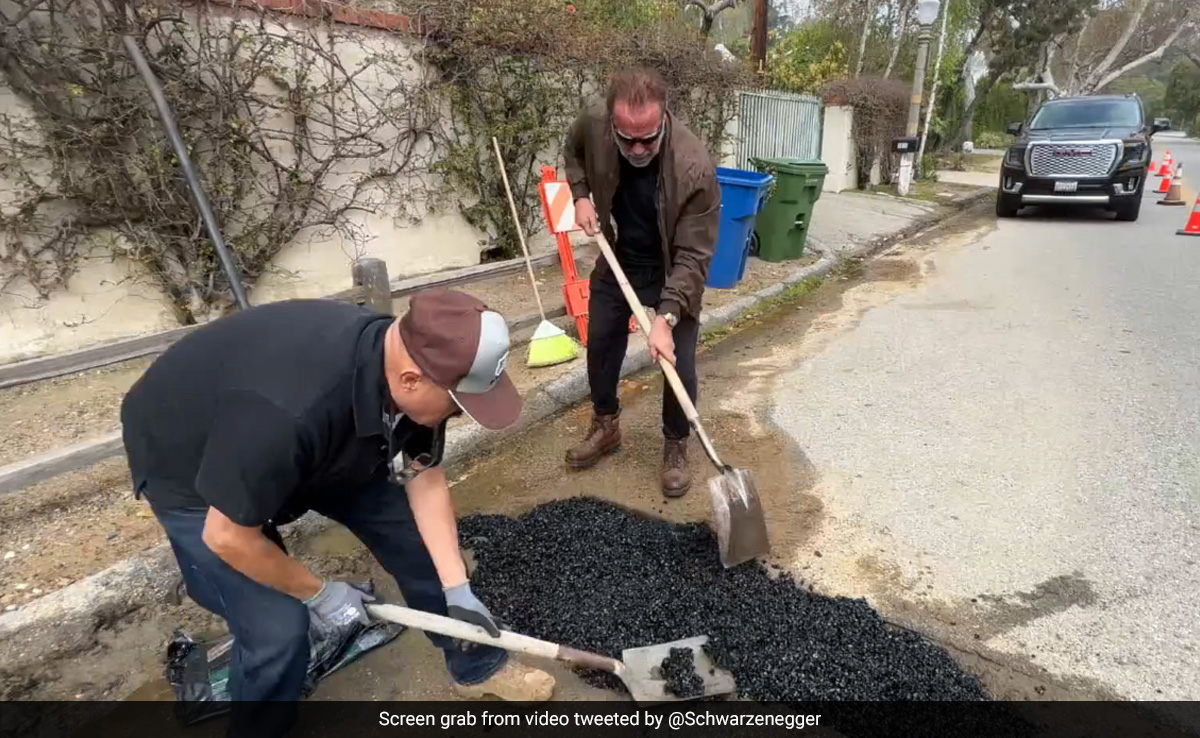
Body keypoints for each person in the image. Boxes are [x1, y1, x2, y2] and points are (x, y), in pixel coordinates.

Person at [120, 289, 554, 736]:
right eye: (456, 406)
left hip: (308, 442)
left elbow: (424, 475)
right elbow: (226, 536)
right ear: (410, 381)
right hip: (189, 463)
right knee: (277, 628)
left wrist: (457, 587)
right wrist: (319, 594)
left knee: (423, 550)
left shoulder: (412, 361)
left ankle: (477, 667)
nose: (457, 416)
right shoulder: (285, 413)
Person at [562, 67, 720, 497]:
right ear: (612, 120)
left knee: (677, 361)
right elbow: (573, 150)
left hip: (673, 266)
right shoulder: (594, 122)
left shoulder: (694, 166)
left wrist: (665, 317)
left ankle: (676, 443)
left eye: (647, 139)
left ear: (664, 116)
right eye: (626, 138)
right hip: (620, 258)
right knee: (601, 342)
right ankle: (606, 425)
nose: (636, 149)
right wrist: (580, 194)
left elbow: (695, 256)